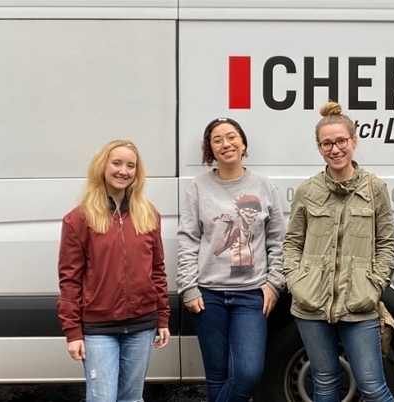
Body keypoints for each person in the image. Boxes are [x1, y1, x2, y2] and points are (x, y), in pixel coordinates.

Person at [283, 101, 394, 402]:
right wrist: (297, 282)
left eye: (341, 141)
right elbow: (292, 242)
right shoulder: (307, 191)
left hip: (359, 304)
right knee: (324, 383)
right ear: (319, 147)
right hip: (311, 304)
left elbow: (386, 243)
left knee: (373, 387)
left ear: (353, 141)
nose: (335, 149)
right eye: (327, 143)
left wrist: (373, 285)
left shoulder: (374, 189)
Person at [176, 117, 285, 402]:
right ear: (209, 150)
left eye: (232, 136)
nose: (226, 144)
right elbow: (188, 238)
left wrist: (275, 284)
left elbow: (278, 240)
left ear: (243, 143)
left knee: (248, 371)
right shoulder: (198, 187)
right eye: (217, 140)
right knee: (217, 374)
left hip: (251, 295)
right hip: (207, 295)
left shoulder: (264, 186)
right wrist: (188, 287)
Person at [57, 139, 171, 402]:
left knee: (132, 399)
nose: (123, 171)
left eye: (131, 165)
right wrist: (73, 332)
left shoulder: (148, 214)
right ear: (103, 167)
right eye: (117, 163)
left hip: (142, 325)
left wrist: (162, 317)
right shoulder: (79, 219)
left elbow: (157, 269)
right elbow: (70, 280)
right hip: (99, 328)